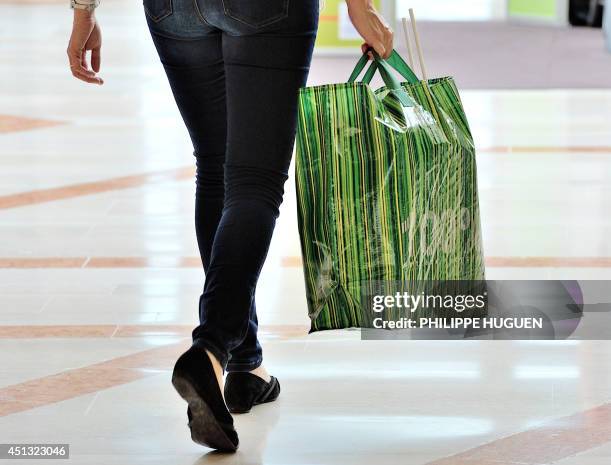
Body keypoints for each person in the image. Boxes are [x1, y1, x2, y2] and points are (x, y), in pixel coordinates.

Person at [67, 0, 392, 452]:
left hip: (172, 10)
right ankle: (212, 349)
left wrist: (84, 11)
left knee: (217, 169)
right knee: (254, 182)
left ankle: (245, 364)